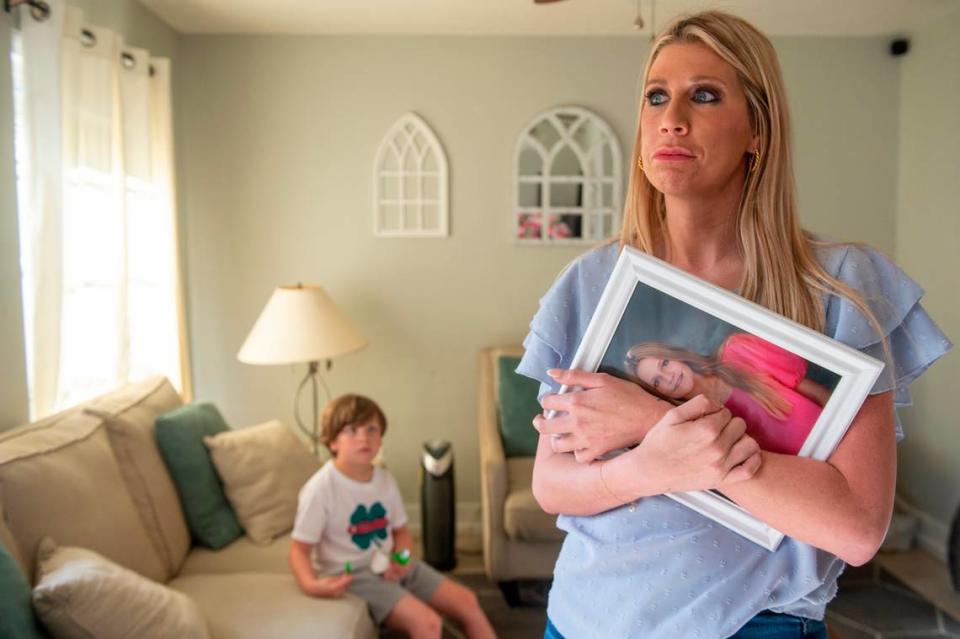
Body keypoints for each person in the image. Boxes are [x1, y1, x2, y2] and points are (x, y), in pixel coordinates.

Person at [517, 10, 951, 639]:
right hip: (586, 617)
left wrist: (653, 421)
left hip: (754, 625)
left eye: (705, 95)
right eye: (656, 96)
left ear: (758, 130)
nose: (672, 117)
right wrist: (651, 466)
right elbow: (553, 483)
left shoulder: (843, 287)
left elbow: (855, 529)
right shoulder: (592, 283)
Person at [289, 394, 496, 639]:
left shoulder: (384, 480)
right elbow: (299, 550)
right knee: (428, 623)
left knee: (468, 601)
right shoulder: (320, 489)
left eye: (371, 429)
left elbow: (401, 533)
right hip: (354, 574)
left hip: (390, 562)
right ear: (332, 442)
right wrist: (310, 584)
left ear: (380, 440)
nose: (364, 437)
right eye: (352, 430)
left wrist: (402, 558)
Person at [625, 333, 829, 454]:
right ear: (657, 392)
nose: (668, 377)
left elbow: (819, 394)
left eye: (665, 363)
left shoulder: (739, 350)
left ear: (676, 355)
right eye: (657, 381)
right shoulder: (700, 430)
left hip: (842, 435)